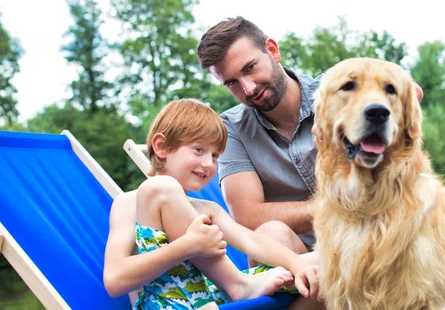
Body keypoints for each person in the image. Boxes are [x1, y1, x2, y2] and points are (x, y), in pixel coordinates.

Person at [197, 16, 445, 310]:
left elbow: (408, 93)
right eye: (231, 83)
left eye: (250, 68)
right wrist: (341, 209)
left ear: (272, 50)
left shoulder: (339, 87)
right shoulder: (231, 128)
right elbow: (247, 215)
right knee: (271, 231)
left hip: (386, 224)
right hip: (310, 254)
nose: (248, 87)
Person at [103, 99, 319, 309]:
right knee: (161, 187)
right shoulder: (131, 202)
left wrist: (296, 264)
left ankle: (241, 284)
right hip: (165, 304)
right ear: (161, 147)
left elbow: (253, 242)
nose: (208, 163)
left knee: (329, 260)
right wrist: (187, 246)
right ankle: (237, 283)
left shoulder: (207, 209)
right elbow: (114, 281)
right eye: (199, 150)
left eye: (215, 156)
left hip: (210, 298)